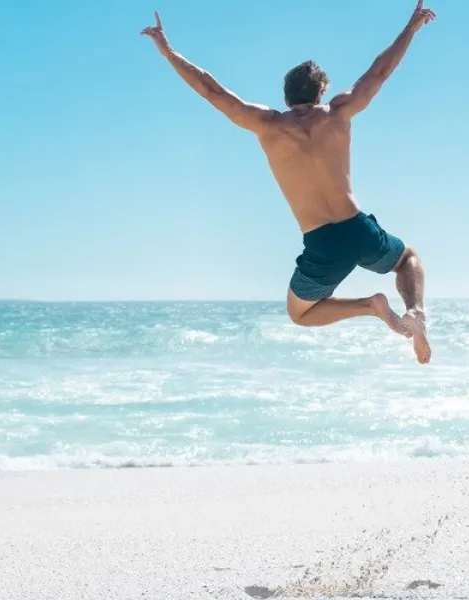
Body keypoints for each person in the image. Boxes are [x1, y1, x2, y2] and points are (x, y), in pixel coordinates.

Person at [141, 1, 437, 364]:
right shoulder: (339, 113)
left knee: (301, 313)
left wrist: (168, 50)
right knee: (407, 259)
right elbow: (378, 74)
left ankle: (371, 308)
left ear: (286, 96)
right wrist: (411, 28)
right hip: (358, 229)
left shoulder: (268, 125)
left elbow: (212, 91)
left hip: (321, 244)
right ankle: (416, 312)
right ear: (320, 94)